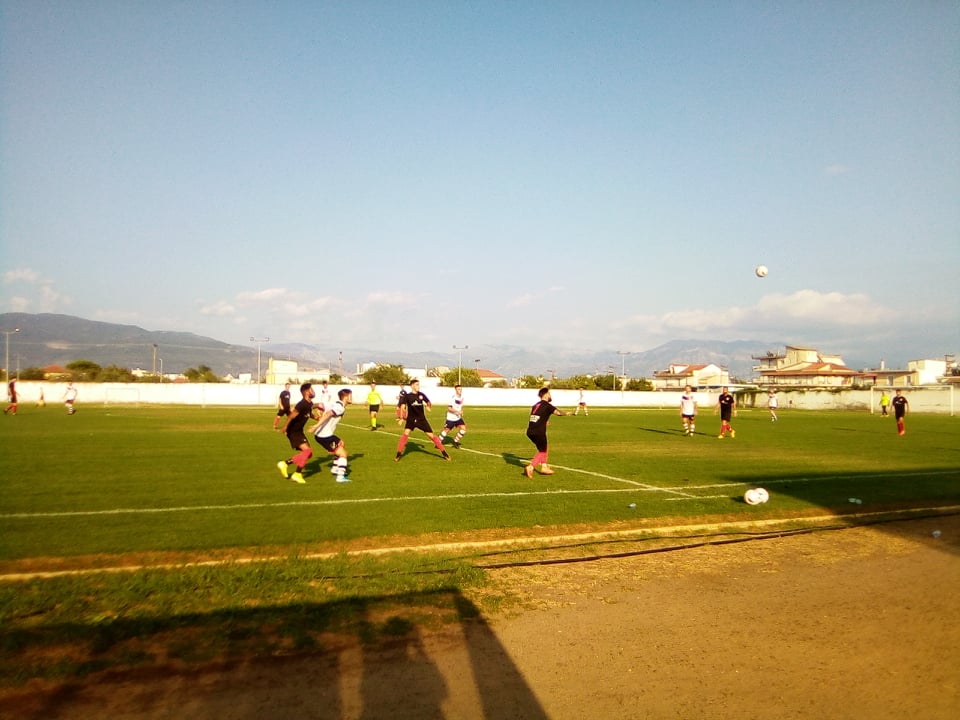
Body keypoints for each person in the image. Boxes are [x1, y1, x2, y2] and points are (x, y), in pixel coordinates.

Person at [395, 379, 450, 462]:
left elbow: (428, 402)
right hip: (411, 419)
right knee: (405, 434)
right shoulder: (407, 396)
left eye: (418, 384)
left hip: (421, 419)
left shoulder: (421, 395)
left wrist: (428, 406)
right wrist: (402, 418)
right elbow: (402, 407)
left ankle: (444, 453)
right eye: (416, 384)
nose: (418, 386)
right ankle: (398, 454)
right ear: (412, 386)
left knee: (432, 436)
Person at [524, 387, 570, 477]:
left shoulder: (536, 405)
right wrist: (565, 413)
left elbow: (536, 416)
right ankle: (531, 467)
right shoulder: (547, 405)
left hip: (530, 431)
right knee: (542, 451)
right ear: (545, 394)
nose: (550, 395)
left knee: (543, 448)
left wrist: (545, 421)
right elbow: (558, 413)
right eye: (549, 393)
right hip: (539, 431)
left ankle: (544, 467)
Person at [310, 388, 353, 482]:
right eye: (350, 396)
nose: (352, 398)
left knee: (341, 443)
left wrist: (310, 407)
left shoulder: (334, 403)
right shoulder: (340, 407)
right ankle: (340, 477)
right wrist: (316, 425)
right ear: (346, 397)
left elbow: (319, 405)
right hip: (325, 436)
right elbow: (329, 413)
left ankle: (335, 468)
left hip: (322, 434)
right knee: (343, 454)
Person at [277, 383, 317, 484]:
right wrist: (285, 427)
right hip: (293, 431)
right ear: (306, 392)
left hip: (299, 431)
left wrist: (316, 418)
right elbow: (291, 416)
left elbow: (308, 413)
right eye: (311, 389)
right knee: (307, 451)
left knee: (308, 454)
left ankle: (285, 464)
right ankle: (297, 474)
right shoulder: (302, 403)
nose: (313, 391)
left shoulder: (309, 403)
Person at [438, 384, 467, 448]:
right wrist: (457, 412)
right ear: (455, 390)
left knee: (464, 428)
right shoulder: (453, 398)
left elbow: (460, 407)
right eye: (458, 389)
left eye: (461, 389)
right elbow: (449, 408)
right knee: (446, 430)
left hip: (458, 418)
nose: (460, 390)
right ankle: (438, 443)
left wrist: (461, 411)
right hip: (451, 418)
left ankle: (455, 441)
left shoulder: (462, 397)